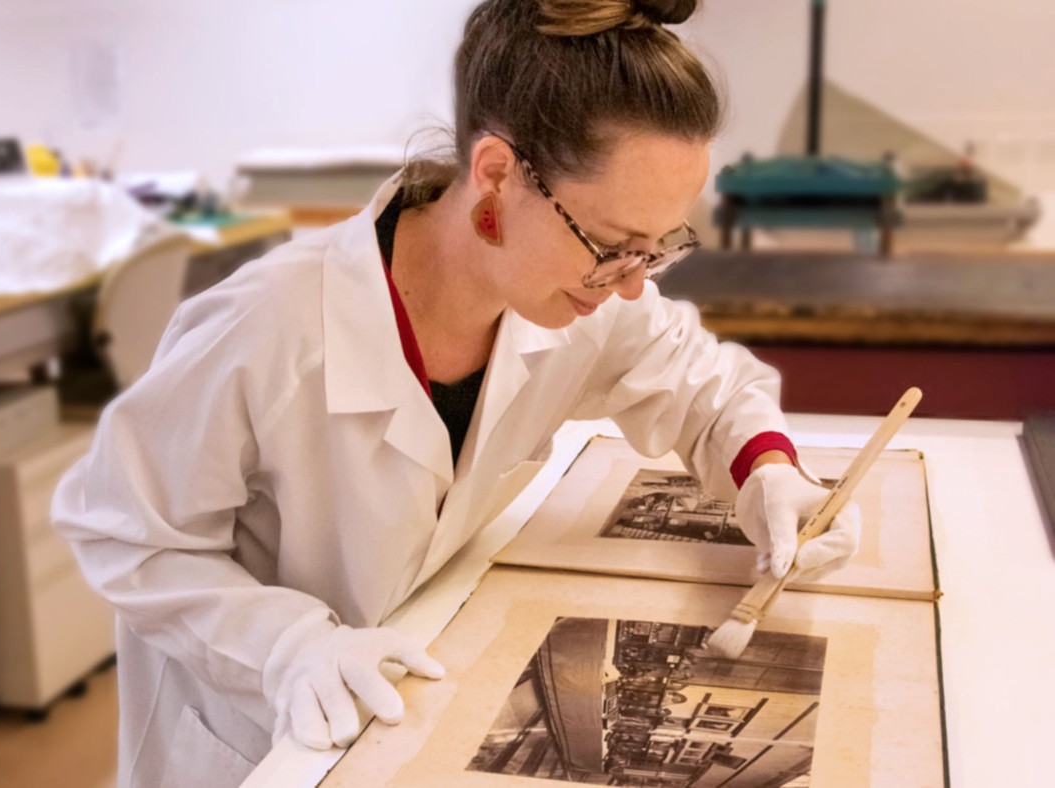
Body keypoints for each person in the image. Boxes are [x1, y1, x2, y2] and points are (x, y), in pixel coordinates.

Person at [51, 1, 860, 785]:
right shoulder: (270, 326)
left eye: (656, 250)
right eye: (613, 246)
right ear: (497, 174)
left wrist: (768, 472)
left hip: (408, 709)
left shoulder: (571, 304)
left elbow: (706, 389)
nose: (626, 287)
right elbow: (127, 533)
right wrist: (287, 646)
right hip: (257, 740)